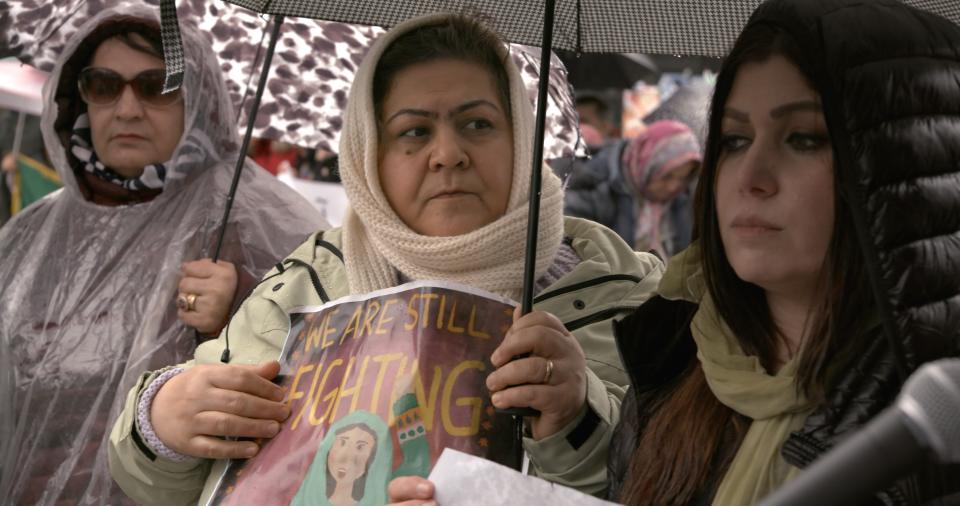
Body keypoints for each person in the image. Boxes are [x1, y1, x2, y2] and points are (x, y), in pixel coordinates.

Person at [107, 13, 663, 505]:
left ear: (522, 139)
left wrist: (580, 418)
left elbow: (679, 480)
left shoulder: (632, 303)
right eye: (413, 132)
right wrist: (160, 422)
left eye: (477, 124)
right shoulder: (308, 283)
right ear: (369, 154)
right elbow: (162, 482)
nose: (448, 155)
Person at [604, 0, 960, 504]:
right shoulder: (674, 352)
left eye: (803, 138)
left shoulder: (933, 422)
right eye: (734, 139)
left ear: (901, 166)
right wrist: (568, 425)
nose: (751, 177)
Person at [0, 7, 325, 504]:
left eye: (157, 86)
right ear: (78, 96)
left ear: (197, 100)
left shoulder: (256, 223)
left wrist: (231, 324)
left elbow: (315, 403)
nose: (127, 108)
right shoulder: (30, 234)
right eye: (103, 84)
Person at [564, 119, 700, 260]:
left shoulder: (683, 197)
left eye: (683, 178)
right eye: (666, 176)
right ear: (646, 165)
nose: (673, 187)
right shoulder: (595, 190)